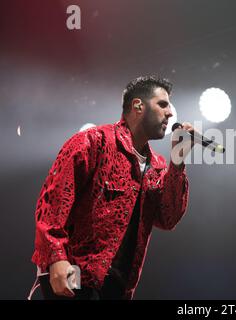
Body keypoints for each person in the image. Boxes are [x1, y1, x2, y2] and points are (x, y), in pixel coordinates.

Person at [30, 75, 194, 299]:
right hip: (74, 272)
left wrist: (178, 161)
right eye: (162, 104)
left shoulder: (158, 166)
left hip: (117, 287)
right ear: (138, 105)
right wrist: (57, 257)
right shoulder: (93, 141)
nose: (170, 113)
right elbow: (53, 203)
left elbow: (168, 218)